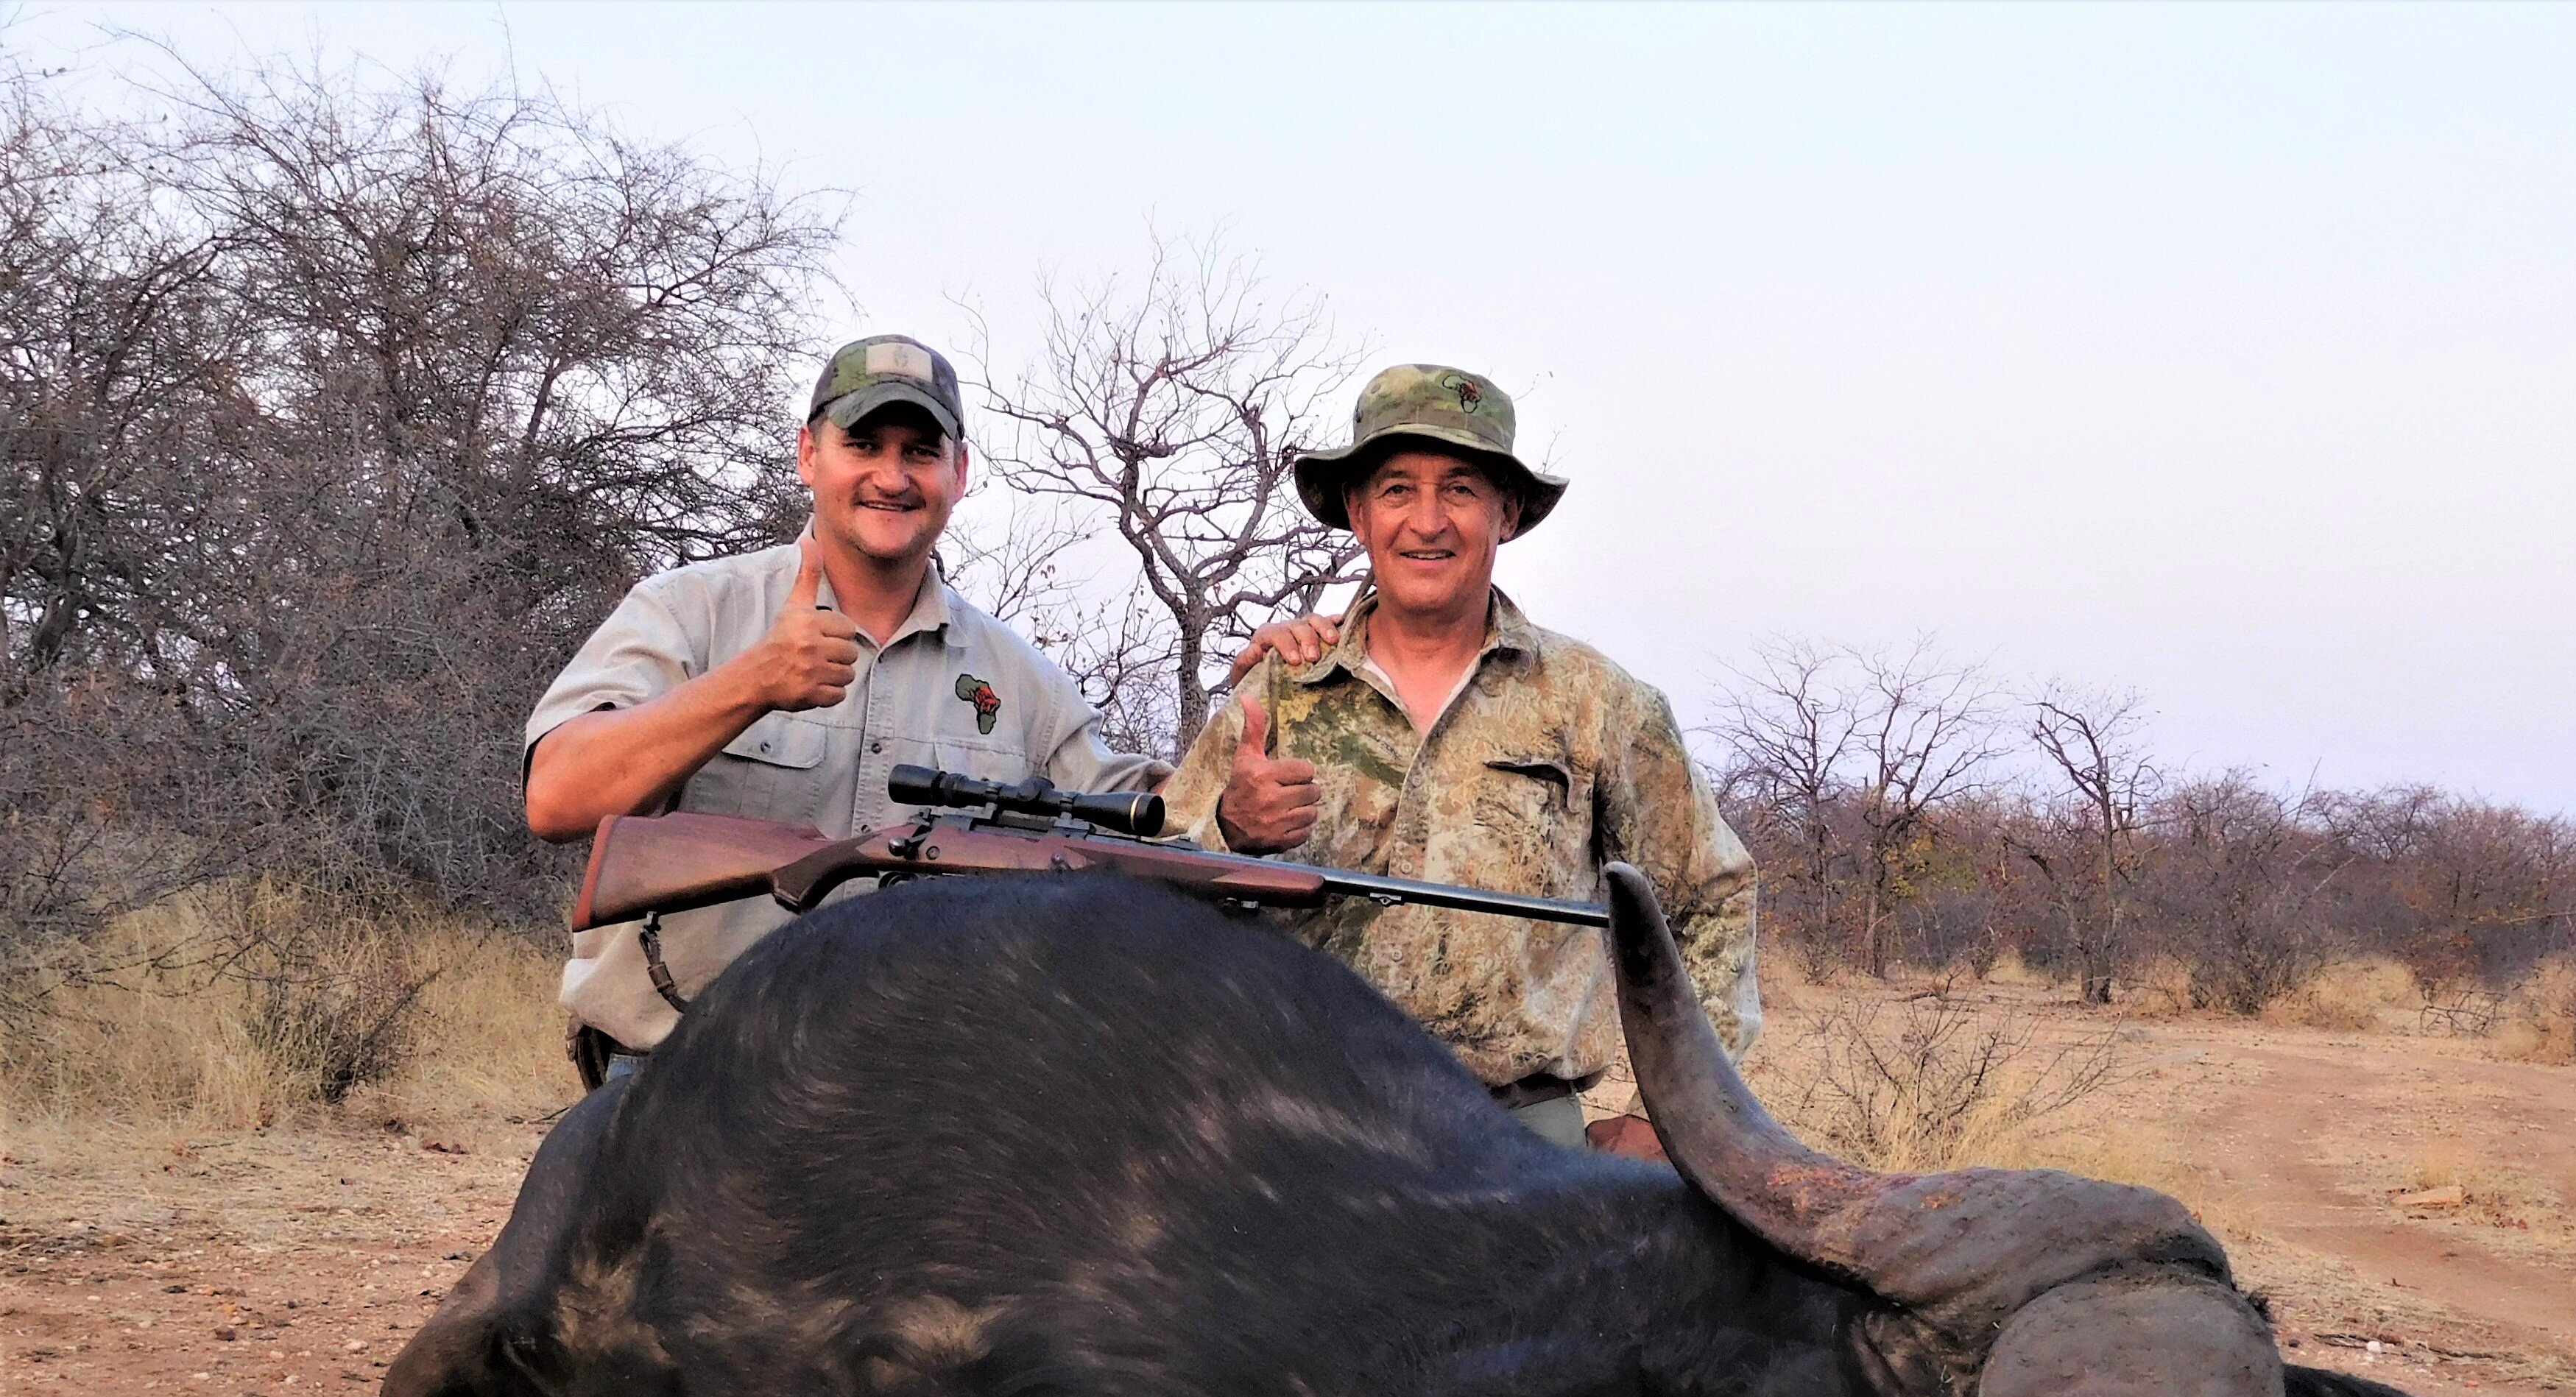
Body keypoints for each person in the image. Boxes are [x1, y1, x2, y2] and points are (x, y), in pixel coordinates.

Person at [525, 334, 1170, 1079]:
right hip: (679, 1085)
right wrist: (753, 683)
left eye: (921, 453)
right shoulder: (692, 610)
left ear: (960, 473)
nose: (891, 477)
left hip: (896, 1107)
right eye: (863, 443)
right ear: (808, 454)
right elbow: (557, 797)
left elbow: (1142, 821)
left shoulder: (1018, 677)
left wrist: (1232, 800)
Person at [1160, 363, 1758, 1153]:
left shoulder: (1599, 703)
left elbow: (1711, 898)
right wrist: (1229, 831)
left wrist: (1675, 1120)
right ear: (1358, 511)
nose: (1428, 521)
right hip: (1287, 1126)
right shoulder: (1277, 692)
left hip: (1518, 1137)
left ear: (1507, 514)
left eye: (1463, 490)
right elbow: (1149, 882)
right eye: (1399, 489)